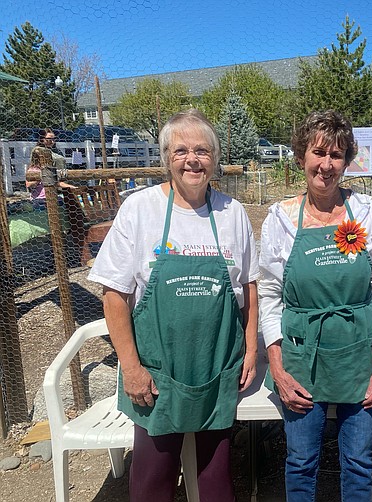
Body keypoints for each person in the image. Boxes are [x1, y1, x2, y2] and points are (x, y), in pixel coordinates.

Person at [88, 109, 259, 501]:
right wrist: (131, 368)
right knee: (152, 482)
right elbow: (114, 295)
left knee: (216, 482)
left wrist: (250, 349)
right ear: (167, 158)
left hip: (217, 368)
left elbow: (249, 287)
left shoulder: (232, 214)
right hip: (156, 374)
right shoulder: (139, 209)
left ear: (215, 159)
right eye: (180, 150)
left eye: (202, 150)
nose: (192, 159)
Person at [258, 110, 372, 501]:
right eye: (318, 152)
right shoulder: (281, 220)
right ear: (302, 155)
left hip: (359, 355)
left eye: (336, 155)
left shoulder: (366, 212)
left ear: (347, 161)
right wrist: (279, 369)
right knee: (301, 460)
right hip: (302, 357)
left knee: (358, 460)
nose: (326, 164)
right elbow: (270, 296)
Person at [25, 128, 75, 208]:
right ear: (42, 139)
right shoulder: (37, 155)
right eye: (49, 139)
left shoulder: (56, 151)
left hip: (54, 192)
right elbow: (29, 184)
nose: (52, 141)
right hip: (40, 198)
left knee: (69, 203)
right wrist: (42, 177)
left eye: (53, 139)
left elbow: (57, 181)